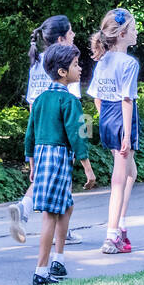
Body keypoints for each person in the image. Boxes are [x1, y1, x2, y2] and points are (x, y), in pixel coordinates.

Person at [24, 44, 96, 285]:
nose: (80, 67)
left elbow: (30, 134)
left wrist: (31, 162)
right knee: (51, 215)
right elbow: (78, 135)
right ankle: (41, 271)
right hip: (58, 157)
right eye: (76, 64)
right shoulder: (69, 100)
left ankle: (59, 259)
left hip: (43, 155)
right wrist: (87, 167)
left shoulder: (41, 99)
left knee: (66, 206)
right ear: (63, 72)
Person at [14, 14, 85, 247]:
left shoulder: (39, 62)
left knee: (47, 179)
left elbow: (33, 101)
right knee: (62, 183)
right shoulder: (66, 65)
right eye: (72, 32)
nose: (75, 36)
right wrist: (81, 140)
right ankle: (60, 234)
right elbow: (73, 107)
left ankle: (24, 208)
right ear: (62, 38)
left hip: (40, 128)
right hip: (61, 132)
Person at [90, 8, 139, 254]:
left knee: (131, 172)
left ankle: (121, 226)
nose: (137, 32)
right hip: (122, 119)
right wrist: (127, 135)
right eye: (133, 28)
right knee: (120, 179)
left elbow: (97, 98)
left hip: (107, 118)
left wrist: (104, 121)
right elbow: (127, 100)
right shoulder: (129, 62)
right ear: (122, 34)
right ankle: (112, 235)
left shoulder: (103, 60)